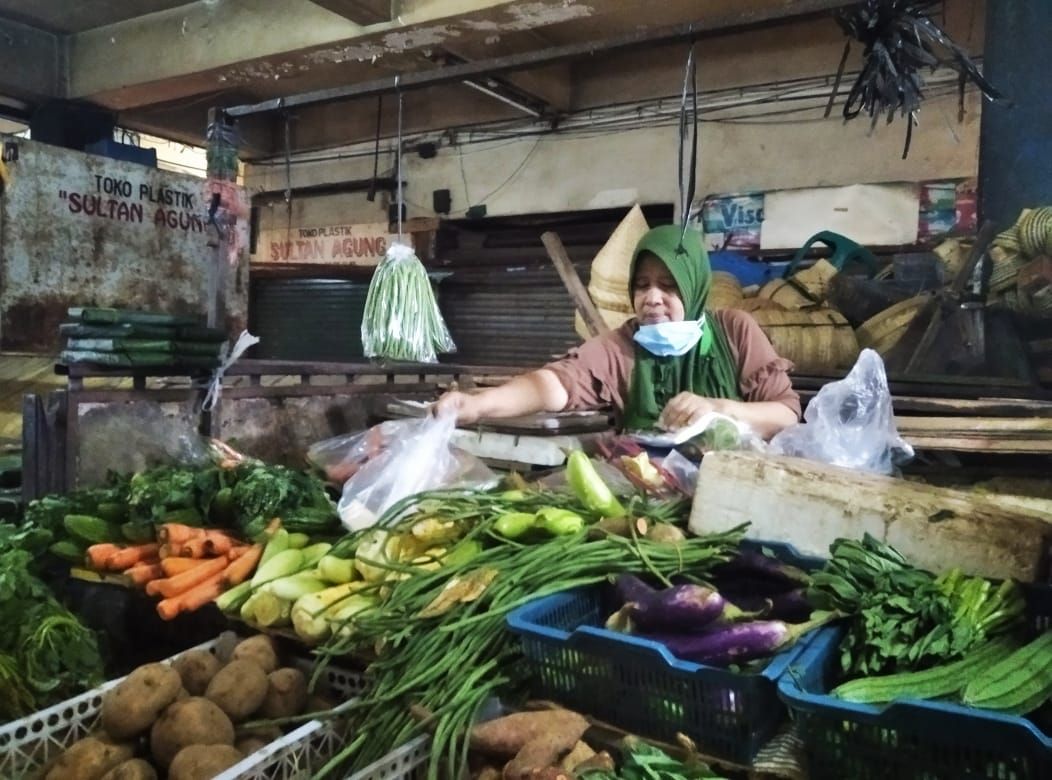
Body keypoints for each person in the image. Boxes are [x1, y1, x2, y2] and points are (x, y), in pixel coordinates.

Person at [433, 224, 800, 440]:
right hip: (652, 502)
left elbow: (786, 415)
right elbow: (553, 385)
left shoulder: (734, 331)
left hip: (733, 495)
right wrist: (478, 403)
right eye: (642, 285)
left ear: (694, 288)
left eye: (668, 286)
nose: (652, 299)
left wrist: (718, 410)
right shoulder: (623, 345)